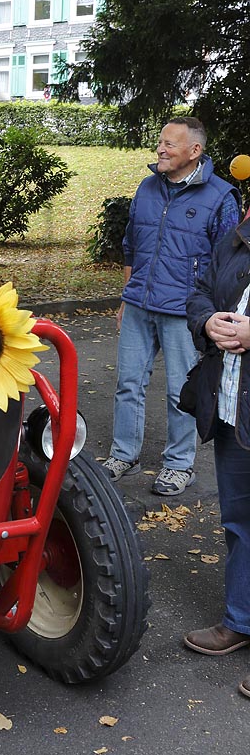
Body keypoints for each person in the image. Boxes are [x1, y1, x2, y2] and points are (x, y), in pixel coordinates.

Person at [104, 117, 240, 496]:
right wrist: (126, 294)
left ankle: (179, 465)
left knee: (182, 390)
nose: (160, 150)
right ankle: (124, 454)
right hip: (139, 304)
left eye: (169, 144)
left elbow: (227, 265)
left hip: (186, 311)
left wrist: (212, 315)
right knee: (128, 383)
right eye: (160, 142)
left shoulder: (221, 197)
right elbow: (132, 244)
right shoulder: (147, 188)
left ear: (194, 151)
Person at [183, 209, 250, 692]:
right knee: (239, 522)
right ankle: (241, 619)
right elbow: (199, 291)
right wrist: (208, 321)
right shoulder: (236, 238)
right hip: (233, 410)